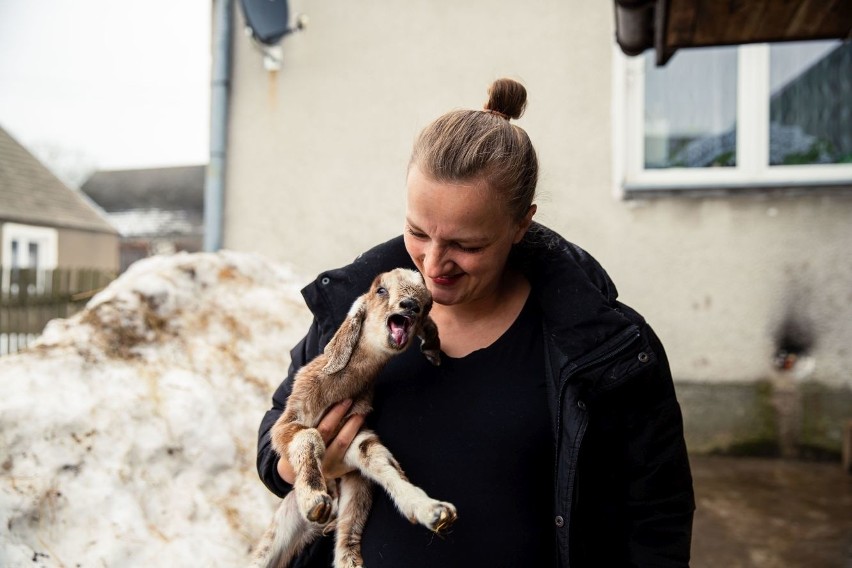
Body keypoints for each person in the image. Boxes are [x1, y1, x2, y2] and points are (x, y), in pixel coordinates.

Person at [257, 78, 695, 567]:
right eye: (418, 232)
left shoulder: (605, 347)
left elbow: (656, 518)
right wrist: (308, 464)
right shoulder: (355, 308)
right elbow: (274, 441)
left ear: (520, 225)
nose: (433, 263)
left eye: (467, 246)